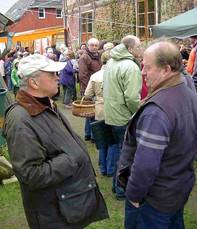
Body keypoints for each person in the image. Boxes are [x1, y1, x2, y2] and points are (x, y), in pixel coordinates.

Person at [3, 54, 109, 229]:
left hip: (67, 205)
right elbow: (31, 174)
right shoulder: (21, 119)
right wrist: (72, 158)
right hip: (53, 214)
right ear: (34, 83)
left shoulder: (45, 105)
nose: (57, 77)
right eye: (51, 74)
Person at [118, 39, 197, 228]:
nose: (142, 72)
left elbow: (145, 164)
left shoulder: (157, 112)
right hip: (177, 190)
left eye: (147, 67)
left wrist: (134, 195)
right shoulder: (187, 92)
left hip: (154, 200)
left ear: (166, 69)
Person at [103, 35, 142, 200]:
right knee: (126, 155)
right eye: (139, 46)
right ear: (131, 48)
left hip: (112, 113)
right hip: (123, 116)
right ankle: (121, 189)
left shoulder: (111, 61)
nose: (141, 49)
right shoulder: (130, 66)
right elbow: (132, 97)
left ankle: (116, 186)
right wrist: (139, 113)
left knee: (119, 151)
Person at [84, 51, 117, 177]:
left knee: (102, 141)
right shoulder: (114, 74)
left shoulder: (95, 76)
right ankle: (110, 169)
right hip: (113, 110)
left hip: (99, 111)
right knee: (113, 141)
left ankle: (103, 168)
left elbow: (87, 95)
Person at [78, 38, 102, 142]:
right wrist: (89, 90)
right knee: (92, 113)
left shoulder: (98, 56)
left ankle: (88, 134)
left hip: (96, 86)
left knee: (90, 112)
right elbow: (83, 75)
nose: (94, 47)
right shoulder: (84, 57)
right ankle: (93, 135)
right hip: (90, 87)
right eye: (92, 45)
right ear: (88, 45)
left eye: (96, 45)